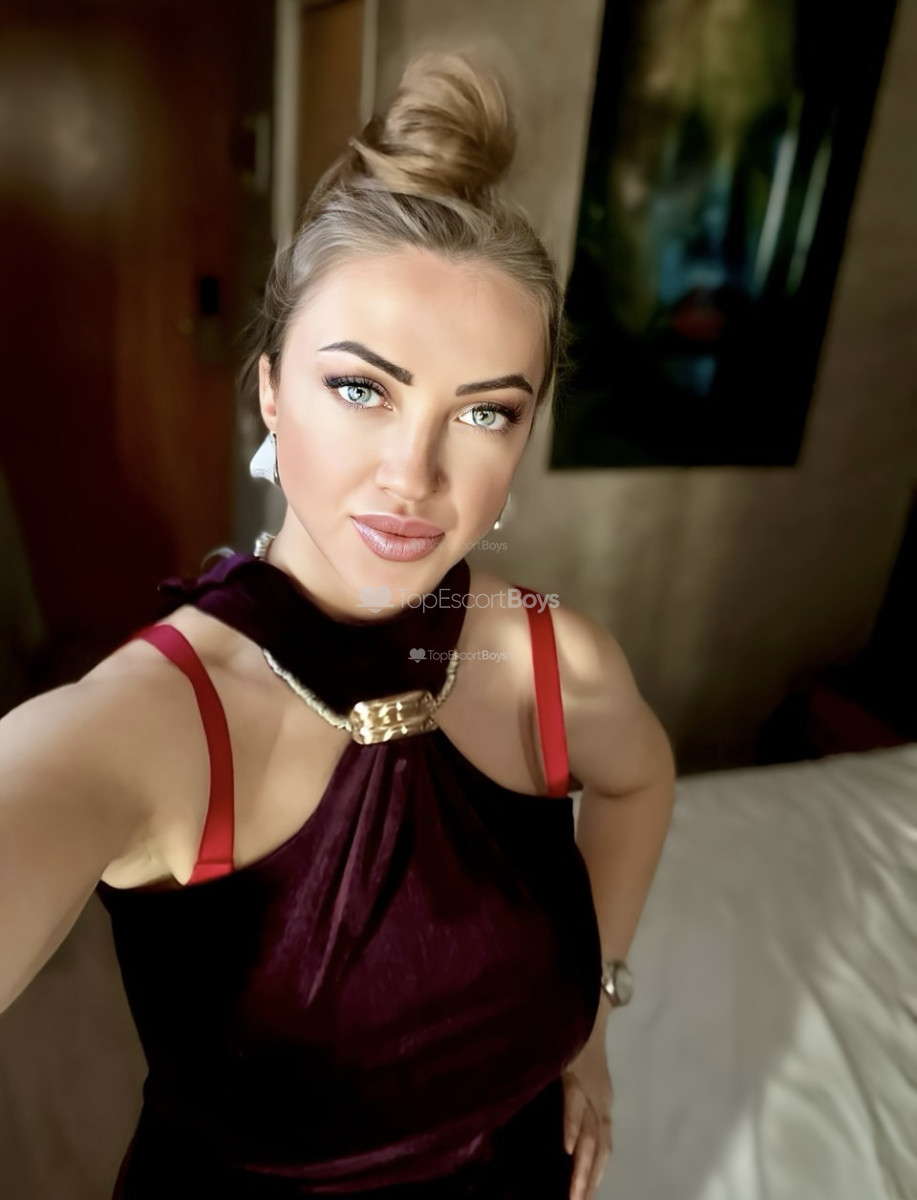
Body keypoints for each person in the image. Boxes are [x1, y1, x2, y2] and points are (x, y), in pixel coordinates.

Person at [0, 51, 676, 1200]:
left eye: (484, 413)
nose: (412, 475)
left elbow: (640, 781)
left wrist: (592, 1020)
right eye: (361, 388)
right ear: (270, 389)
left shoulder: (549, 659)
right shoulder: (153, 721)